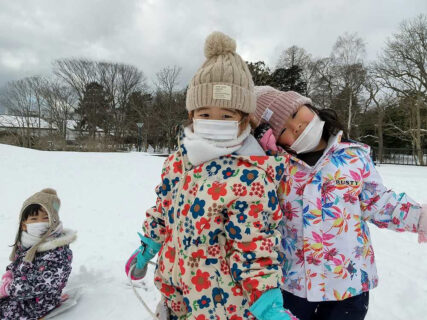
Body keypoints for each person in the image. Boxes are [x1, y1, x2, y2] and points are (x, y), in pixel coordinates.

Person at [125, 33, 297, 320]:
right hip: (176, 298)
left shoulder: (251, 178)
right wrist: (147, 249)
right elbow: (163, 211)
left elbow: (254, 248)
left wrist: (270, 307)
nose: (214, 122)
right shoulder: (178, 162)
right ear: (192, 114)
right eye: (204, 113)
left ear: (244, 118)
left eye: (227, 116)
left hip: (223, 309)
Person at [251, 86, 427, 320]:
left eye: (294, 114)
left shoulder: (354, 156)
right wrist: (259, 153)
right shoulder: (274, 168)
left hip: (348, 286)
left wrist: (419, 217)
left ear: (308, 105)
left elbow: (379, 202)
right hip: (293, 287)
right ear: (273, 139)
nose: (296, 126)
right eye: (283, 129)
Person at [0, 188, 76, 320]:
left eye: (45, 218)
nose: (40, 223)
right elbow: (18, 264)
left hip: (38, 304)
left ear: (54, 221)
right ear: (24, 224)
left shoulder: (57, 252)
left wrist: (8, 289)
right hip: (21, 298)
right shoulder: (29, 243)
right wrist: (10, 274)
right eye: (34, 219)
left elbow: (36, 284)